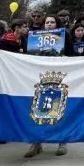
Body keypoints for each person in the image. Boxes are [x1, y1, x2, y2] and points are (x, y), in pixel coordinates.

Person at [22, 15, 71, 158]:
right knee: (37, 108)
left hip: (58, 76)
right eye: (47, 22)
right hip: (39, 77)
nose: (49, 24)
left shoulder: (64, 36)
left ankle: (62, 141)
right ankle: (36, 143)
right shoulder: (34, 37)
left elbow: (71, 54)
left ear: (57, 24)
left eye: (52, 22)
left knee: (59, 107)